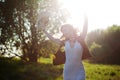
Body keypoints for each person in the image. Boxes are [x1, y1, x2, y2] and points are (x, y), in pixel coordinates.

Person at [40, 14, 91, 80]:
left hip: (79, 70)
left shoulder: (80, 39)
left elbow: (85, 29)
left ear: (70, 29)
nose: (64, 32)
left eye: (65, 30)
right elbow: (52, 38)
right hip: (68, 71)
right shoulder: (64, 42)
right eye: (63, 31)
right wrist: (44, 30)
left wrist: (85, 18)